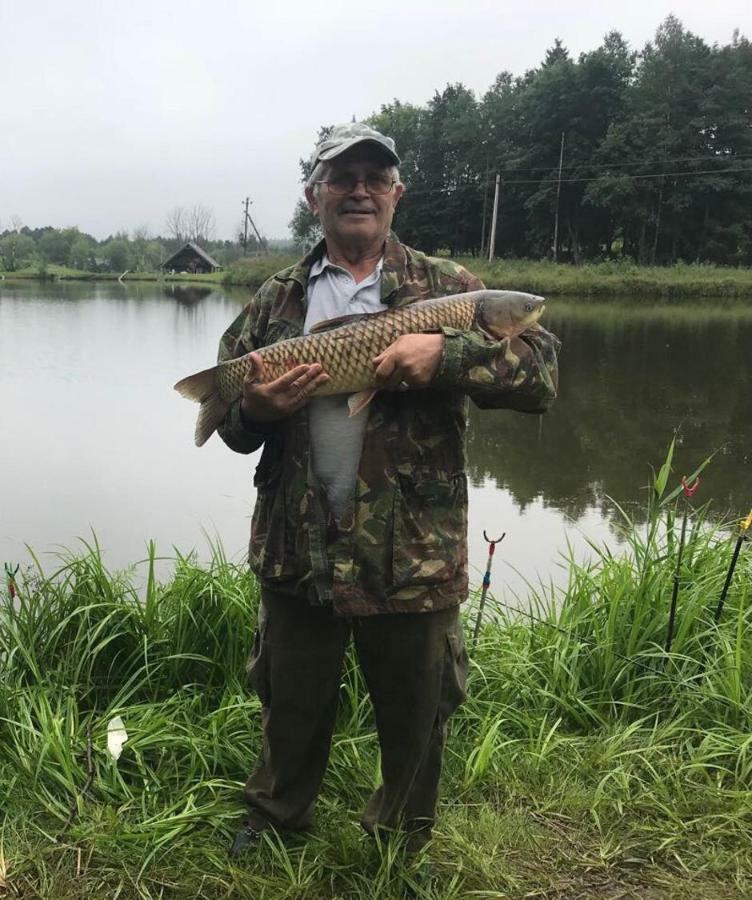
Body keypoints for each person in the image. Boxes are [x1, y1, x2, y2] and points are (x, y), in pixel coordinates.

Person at [218, 123, 560, 857]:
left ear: (398, 193)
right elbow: (231, 424)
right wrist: (254, 408)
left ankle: (399, 839)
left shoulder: (454, 291)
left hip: (413, 547)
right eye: (342, 178)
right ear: (315, 197)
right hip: (298, 538)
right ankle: (276, 816)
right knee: (291, 699)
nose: (360, 190)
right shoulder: (276, 300)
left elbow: (541, 379)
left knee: (416, 707)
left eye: (376, 177)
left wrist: (448, 356)